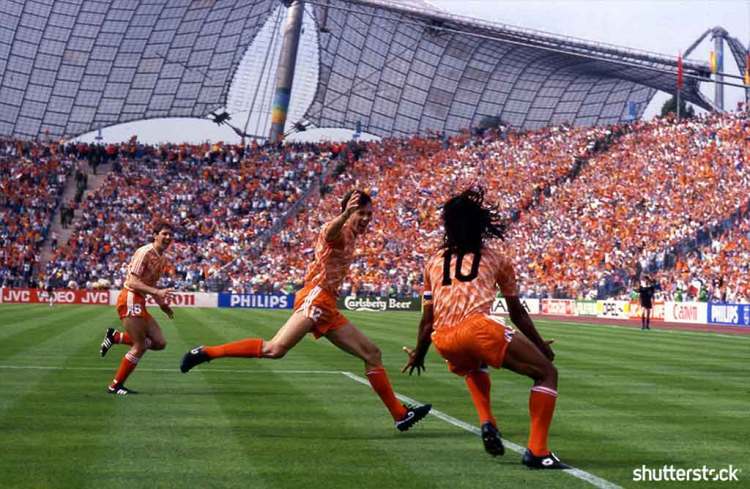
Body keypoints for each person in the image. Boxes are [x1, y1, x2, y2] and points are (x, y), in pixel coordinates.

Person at [180, 190, 431, 431]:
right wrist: (344, 215)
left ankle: (400, 415)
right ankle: (206, 352)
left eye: (368, 214)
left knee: (372, 354)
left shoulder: (353, 234)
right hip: (316, 296)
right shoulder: (339, 230)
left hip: (327, 303)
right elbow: (330, 232)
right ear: (348, 212)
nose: (366, 219)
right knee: (275, 349)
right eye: (360, 213)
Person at [402, 188, 567, 469]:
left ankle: (487, 422)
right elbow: (516, 312)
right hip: (478, 328)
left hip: (443, 338)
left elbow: (427, 320)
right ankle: (538, 452)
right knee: (547, 374)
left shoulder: (432, 261)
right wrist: (541, 347)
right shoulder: (496, 258)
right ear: (481, 224)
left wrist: (419, 353)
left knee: (473, 366)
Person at [99, 221, 175, 395]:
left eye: (170, 235)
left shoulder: (162, 259)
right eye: (164, 233)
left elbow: (149, 284)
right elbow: (133, 282)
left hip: (140, 300)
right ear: (155, 235)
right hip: (131, 297)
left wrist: (163, 305)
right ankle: (115, 386)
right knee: (140, 346)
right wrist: (157, 291)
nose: (168, 237)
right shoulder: (144, 252)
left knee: (159, 343)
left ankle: (116, 337)